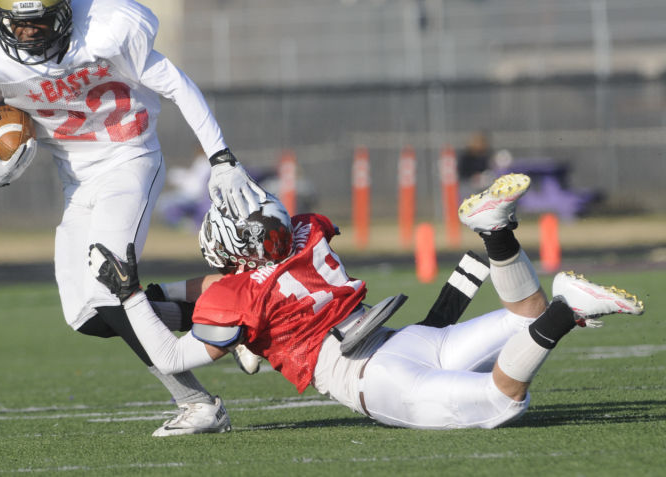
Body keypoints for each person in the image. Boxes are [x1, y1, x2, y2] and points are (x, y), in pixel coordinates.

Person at [0, 0, 267, 436]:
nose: (28, 35)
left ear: (64, 11)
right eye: (17, 24)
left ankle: (199, 404)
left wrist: (221, 158)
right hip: (77, 181)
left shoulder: (108, 26)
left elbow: (177, 85)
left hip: (129, 160)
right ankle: (232, 318)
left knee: (111, 288)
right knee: (87, 315)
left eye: (39, 23)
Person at [90, 173, 646, 430]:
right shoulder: (306, 230)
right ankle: (495, 234)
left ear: (233, 256)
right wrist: (161, 298)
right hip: (404, 337)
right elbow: (225, 291)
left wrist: (130, 296)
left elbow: (170, 355)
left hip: (369, 377)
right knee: (523, 316)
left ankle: (567, 310)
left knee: (501, 402)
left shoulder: (234, 293)